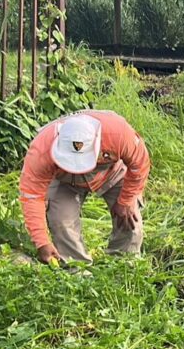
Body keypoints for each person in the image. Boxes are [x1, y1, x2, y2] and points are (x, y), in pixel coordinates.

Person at [19, 110, 150, 264]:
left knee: (130, 219)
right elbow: (32, 196)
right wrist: (42, 242)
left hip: (111, 172)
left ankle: (123, 266)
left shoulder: (118, 133)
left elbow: (139, 164)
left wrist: (126, 200)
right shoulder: (42, 149)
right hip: (65, 180)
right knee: (61, 222)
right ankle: (77, 271)